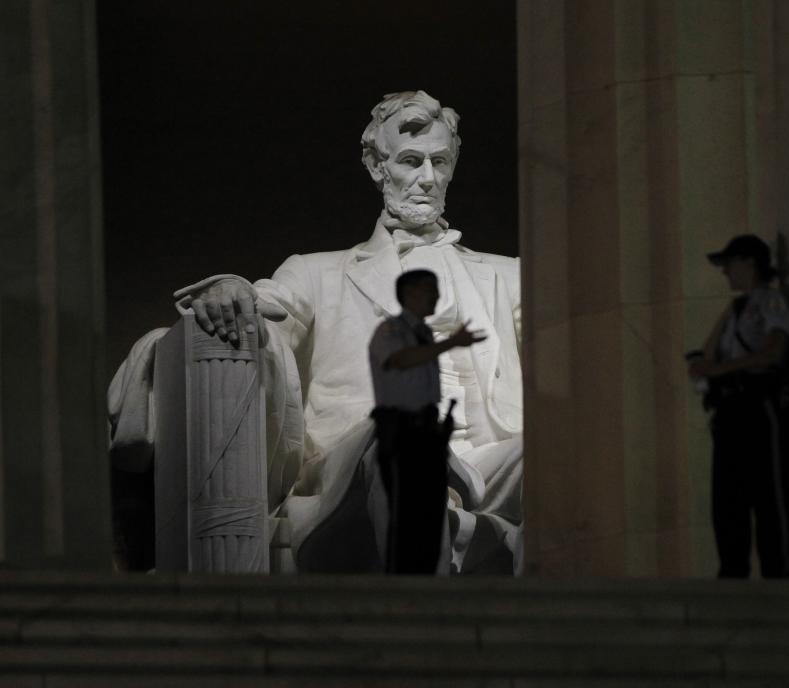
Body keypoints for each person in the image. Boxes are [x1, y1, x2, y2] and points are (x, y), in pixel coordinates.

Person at [108, 90, 524, 574]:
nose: (428, 179)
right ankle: (422, 629)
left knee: (552, 452)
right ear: (376, 165)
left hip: (488, 458)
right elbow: (265, 310)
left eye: (440, 162)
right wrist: (229, 289)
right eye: (411, 161)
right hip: (359, 462)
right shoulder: (315, 274)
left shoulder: (508, 277)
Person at [368, 270, 486, 573]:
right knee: (405, 514)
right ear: (410, 294)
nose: (436, 296)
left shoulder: (423, 333)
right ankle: (405, 583)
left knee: (430, 514)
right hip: (400, 431)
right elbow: (400, 361)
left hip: (428, 431)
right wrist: (452, 343)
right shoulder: (390, 331)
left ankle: (430, 580)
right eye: (429, 290)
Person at [688, 234, 789, 578]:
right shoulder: (734, 310)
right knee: (727, 500)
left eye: (729, 264)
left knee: (764, 496)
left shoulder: (771, 302)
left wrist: (720, 369)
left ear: (749, 263)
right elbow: (706, 355)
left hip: (754, 405)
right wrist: (706, 368)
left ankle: (776, 571)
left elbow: (775, 350)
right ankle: (732, 571)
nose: (725, 273)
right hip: (729, 410)